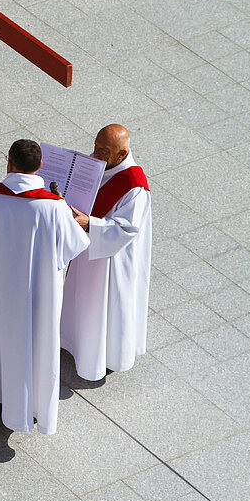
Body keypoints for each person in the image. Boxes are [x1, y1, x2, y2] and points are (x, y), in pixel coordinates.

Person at [0, 139, 89, 434]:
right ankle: (28, 408)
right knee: (33, 346)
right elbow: (76, 244)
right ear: (40, 167)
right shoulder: (53, 207)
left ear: (9, 163)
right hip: (36, 295)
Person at [61, 125, 152, 381]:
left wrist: (90, 224)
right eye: (96, 147)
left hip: (111, 261)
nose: (96, 154)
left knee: (103, 306)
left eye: (104, 151)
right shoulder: (96, 163)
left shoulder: (134, 186)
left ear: (122, 154)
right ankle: (72, 340)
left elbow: (126, 230)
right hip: (86, 248)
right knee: (80, 298)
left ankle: (105, 357)